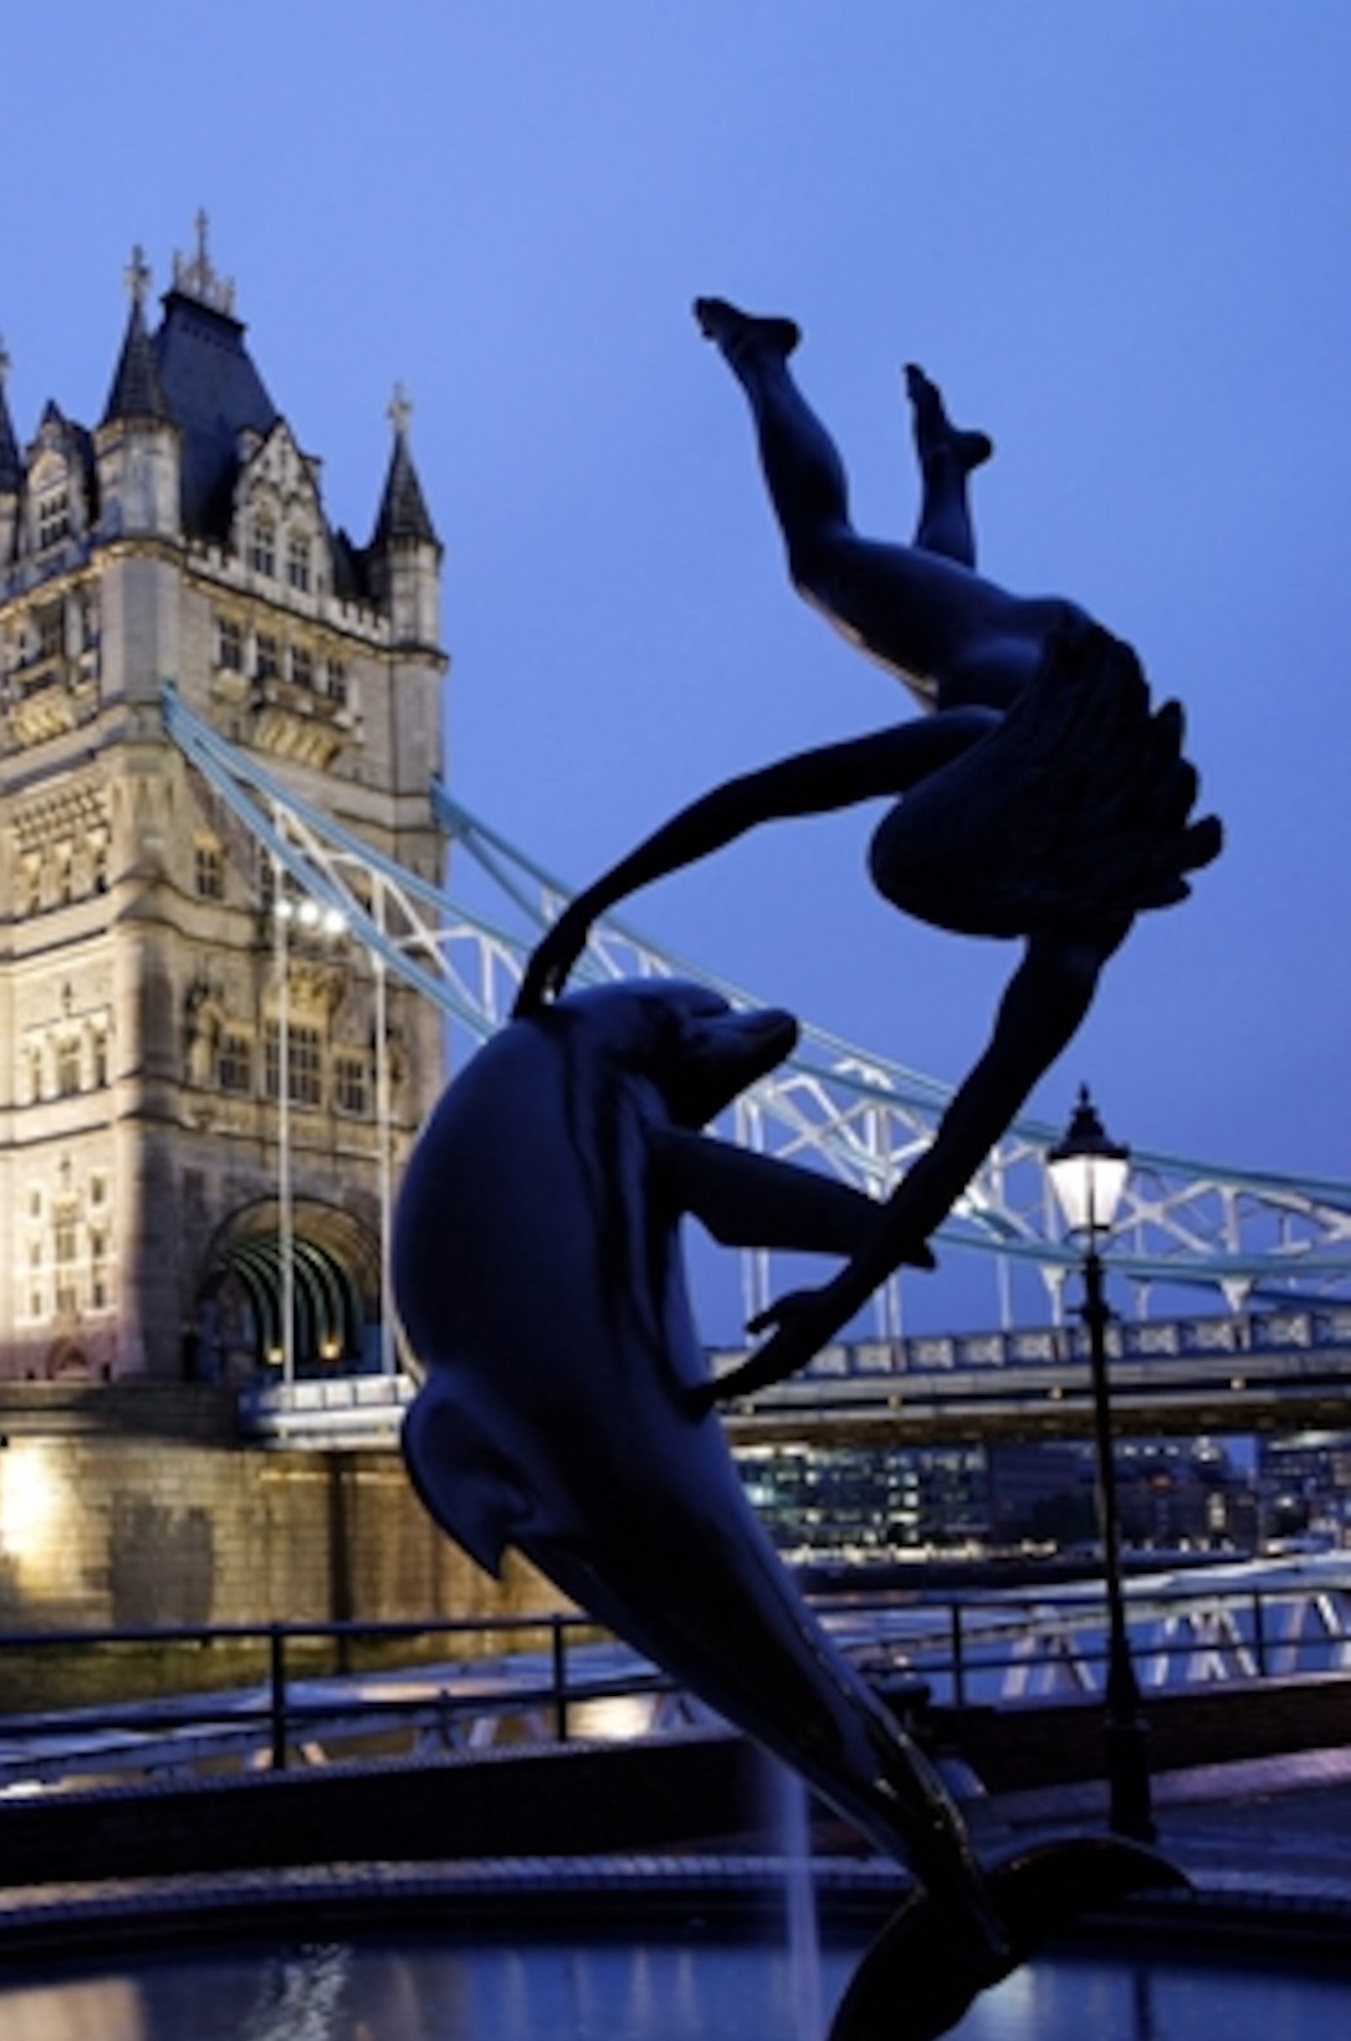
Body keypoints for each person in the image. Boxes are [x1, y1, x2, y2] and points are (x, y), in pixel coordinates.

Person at [517, 300, 1220, 1404]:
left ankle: (947, 464)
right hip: (1030, 663)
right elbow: (758, 798)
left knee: (922, 632)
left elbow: (965, 1135)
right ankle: (763, 355)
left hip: (1041, 685)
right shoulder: (981, 744)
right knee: (826, 559)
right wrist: (589, 905)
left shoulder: (1079, 914)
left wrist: (841, 1299)